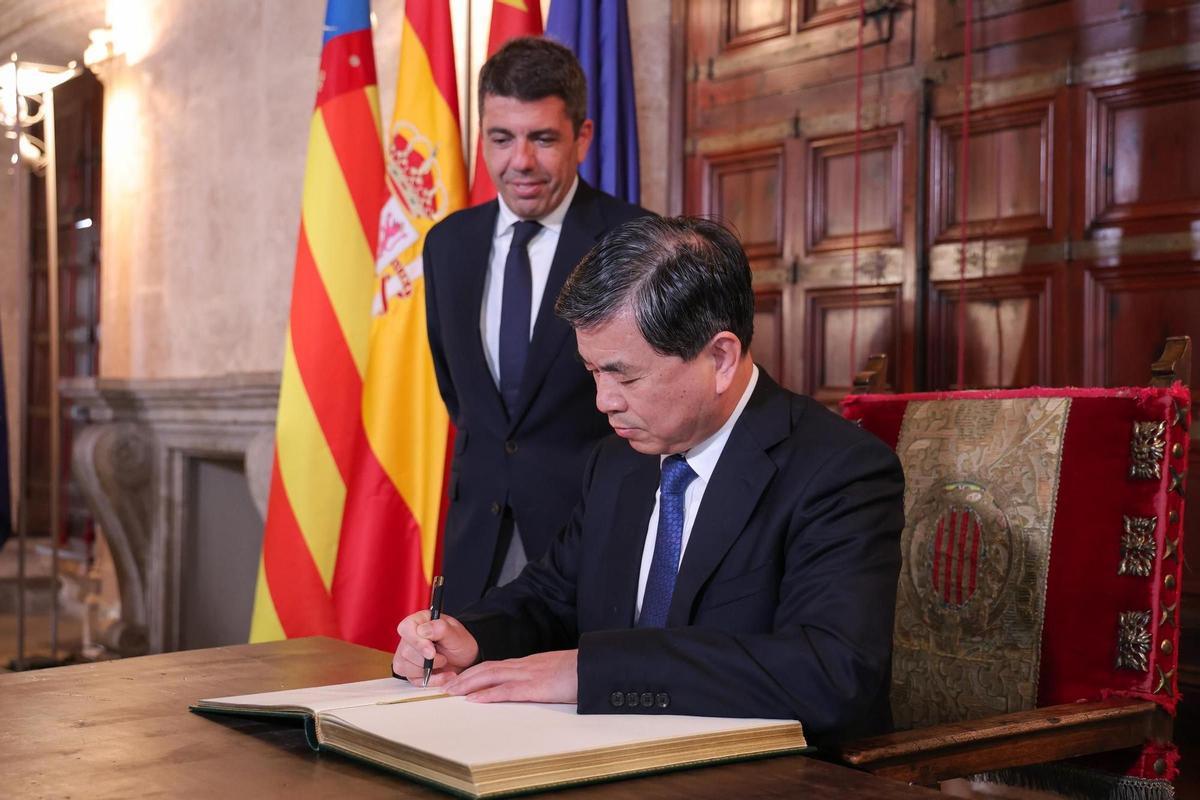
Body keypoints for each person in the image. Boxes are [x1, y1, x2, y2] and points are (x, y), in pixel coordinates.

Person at [396, 216, 905, 743]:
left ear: (721, 358)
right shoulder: (617, 461)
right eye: (593, 372)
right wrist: (468, 636)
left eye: (627, 376)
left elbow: (832, 676)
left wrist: (593, 671)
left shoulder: (839, 470)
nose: (604, 402)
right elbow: (551, 596)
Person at [424, 36, 650, 613]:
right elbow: (460, 395)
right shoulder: (447, 245)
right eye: (501, 138)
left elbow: (651, 398)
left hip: (593, 540)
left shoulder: (637, 241)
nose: (519, 161)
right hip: (477, 544)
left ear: (582, 137)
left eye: (542, 138)